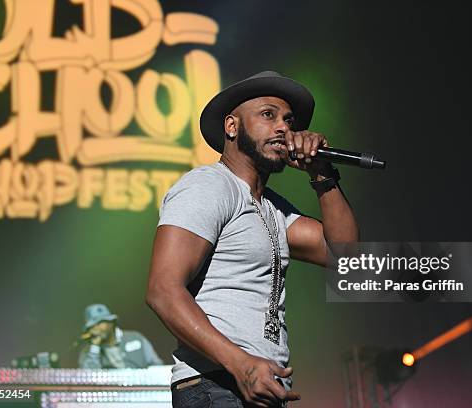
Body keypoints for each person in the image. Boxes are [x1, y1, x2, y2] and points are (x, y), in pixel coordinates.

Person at [147, 71, 359, 407]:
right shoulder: (208, 186)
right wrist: (242, 365)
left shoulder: (273, 209)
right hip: (217, 386)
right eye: (268, 115)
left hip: (259, 386)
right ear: (232, 127)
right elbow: (162, 290)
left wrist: (322, 174)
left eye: (289, 121)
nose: (283, 129)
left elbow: (346, 256)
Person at [78, 303, 164, 369]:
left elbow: (156, 364)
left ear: (111, 323)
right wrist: (95, 348)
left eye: (100, 323)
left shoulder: (135, 338)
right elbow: (89, 379)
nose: (96, 328)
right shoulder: (87, 352)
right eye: (91, 326)